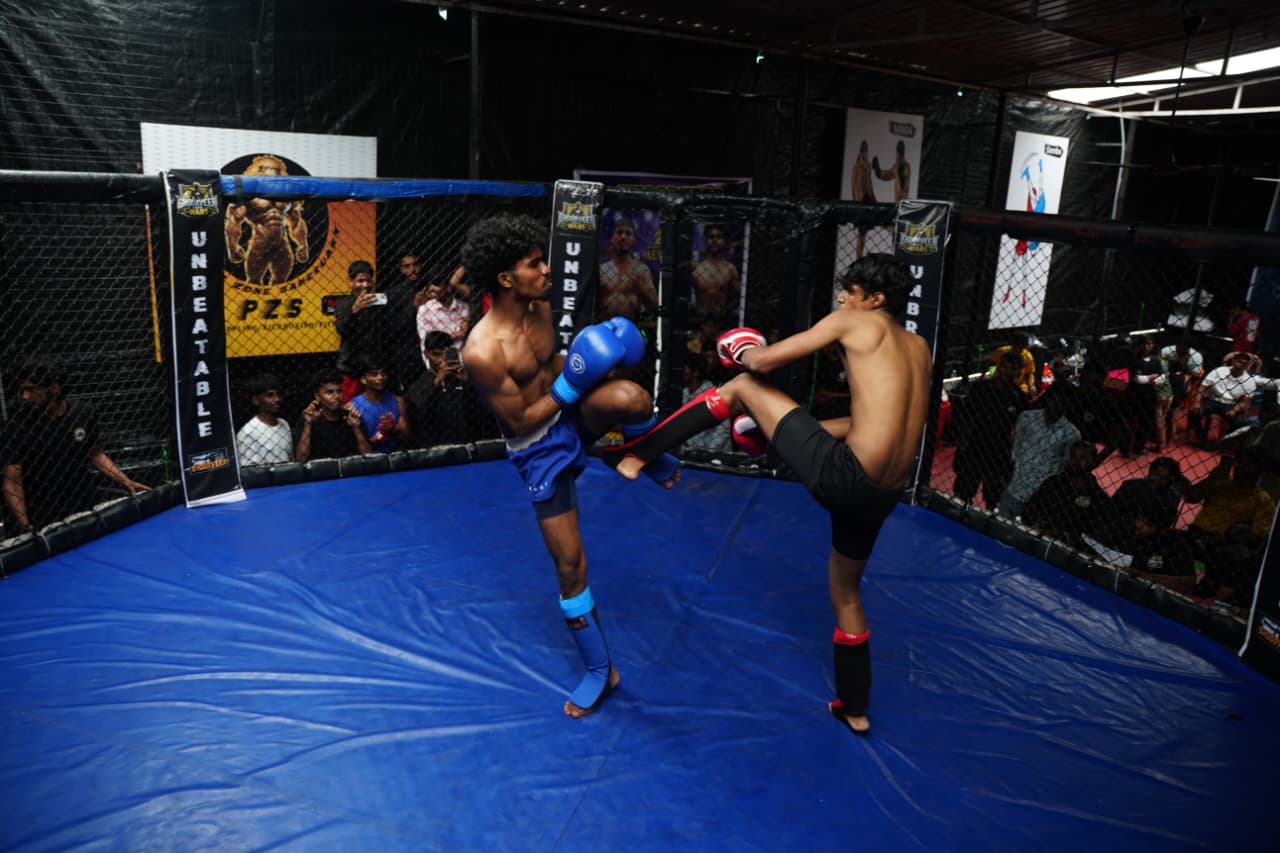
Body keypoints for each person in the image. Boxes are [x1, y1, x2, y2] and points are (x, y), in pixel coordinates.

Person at [602, 253, 932, 737]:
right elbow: (873, 425)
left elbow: (761, 362)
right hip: (883, 495)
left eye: (851, 290)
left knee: (742, 385)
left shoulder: (853, 321)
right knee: (846, 592)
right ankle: (856, 708)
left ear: (875, 299)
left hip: (844, 475)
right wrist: (787, 432)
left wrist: (742, 349)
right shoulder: (919, 348)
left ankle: (637, 454)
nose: (842, 298)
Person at [460, 214, 678, 720]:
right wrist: (575, 383)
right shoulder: (482, 350)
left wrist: (585, 365)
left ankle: (640, 453)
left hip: (568, 413)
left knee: (632, 397)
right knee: (570, 564)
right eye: (534, 264)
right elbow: (520, 419)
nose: (547, 269)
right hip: (537, 447)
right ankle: (601, 671)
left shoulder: (539, 307)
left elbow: (552, 366)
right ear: (506, 278)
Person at [1, 362, 150, 533]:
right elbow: (12, 481)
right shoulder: (16, 425)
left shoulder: (82, 413)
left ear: (54, 388)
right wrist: (27, 527)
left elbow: (95, 454)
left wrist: (126, 482)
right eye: (21, 391)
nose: (25, 396)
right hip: (43, 513)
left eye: (31, 389)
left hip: (83, 501)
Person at [951, 351, 1029, 510]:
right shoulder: (981, 388)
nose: (1007, 371)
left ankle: (989, 517)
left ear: (1019, 372)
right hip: (975, 442)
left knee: (994, 493)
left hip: (999, 447)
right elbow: (968, 415)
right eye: (1005, 366)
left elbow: (1019, 428)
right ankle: (960, 511)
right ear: (999, 367)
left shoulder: (1019, 397)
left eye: (1013, 368)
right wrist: (963, 440)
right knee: (964, 487)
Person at [998, 384, 1081, 520]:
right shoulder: (1027, 418)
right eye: (1054, 400)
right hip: (1015, 486)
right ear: (1048, 399)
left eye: (1062, 402)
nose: (1057, 406)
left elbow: (1065, 466)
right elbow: (1016, 449)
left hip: (1042, 498)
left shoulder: (1072, 434)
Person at [224, 154, 309, 286]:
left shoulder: (286, 196)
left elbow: (296, 220)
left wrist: (303, 244)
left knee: (281, 281)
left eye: (276, 169)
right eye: (266, 168)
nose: (272, 171)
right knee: (254, 282)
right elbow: (234, 220)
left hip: (281, 244)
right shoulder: (249, 195)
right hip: (259, 243)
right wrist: (232, 246)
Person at [1021, 441, 1111, 548]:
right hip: (1040, 538)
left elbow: (1099, 534)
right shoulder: (1054, 482)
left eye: (1083, 458)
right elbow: (1030, 509)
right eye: (1073, 457)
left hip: (1073, 549)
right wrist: (1040, 527)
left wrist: (1064, 535)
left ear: (1094, 462)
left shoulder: (1098, 496)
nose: (1076, 462)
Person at [334, 259, 395, 402]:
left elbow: (388, 331)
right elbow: (342, 330)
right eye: (360, 281)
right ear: (351, 281)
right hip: (352, 367)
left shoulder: (379, 302)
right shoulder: (344, 304)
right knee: (351, 406)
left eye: (368, 281)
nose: (365, 285)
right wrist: (354, 312)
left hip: (376, 366)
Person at [405, 331, 479, 448]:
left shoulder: (461, 378)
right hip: (435, 448)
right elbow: (417, 413)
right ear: (426, 354)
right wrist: (437, 381)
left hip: (465, 444)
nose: (441, 360)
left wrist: (468, 382)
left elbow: (483, 408)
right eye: (436, 354)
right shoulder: (420, 384)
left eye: (446, 354)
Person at [1192, 351, 1275, 447]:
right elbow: (1202, 388)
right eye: (1239, 361)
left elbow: (1245, 402)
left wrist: (1235, 410)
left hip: (1231, 405)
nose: (1240, 364)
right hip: (1211, 400)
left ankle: (1225, 441)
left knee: (1242, 423)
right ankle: (1202, 440)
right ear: (1233, 361)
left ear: (1247, 365)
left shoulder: (1249, 381)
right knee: (1193, 413)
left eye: (1244, 363)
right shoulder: (1219, 371)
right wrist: (1197, 402)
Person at [294, 369, 375, 463]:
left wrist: (356, 428)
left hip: (351, 468)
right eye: (330, 392)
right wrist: (308, 424)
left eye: (339, 391)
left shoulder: (351, 416)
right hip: (321, 470)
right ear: (317, 396)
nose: (336, 396)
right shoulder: (308, 418)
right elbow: (301, 459)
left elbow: (369, 456)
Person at [597, 216, 658, 321]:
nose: (623, 237)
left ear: (633, 240)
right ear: (612, 238)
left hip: (631, 325)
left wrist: (643, 290)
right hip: (604, 325)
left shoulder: (641, 270)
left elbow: (656, 305)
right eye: (619, 233)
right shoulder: (602, 269)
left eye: (628, 234)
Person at [348, 360, 409, 453]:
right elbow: (357, 448)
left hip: (397, 456)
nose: (380, 377)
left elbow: (406, 440)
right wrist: (378, 437)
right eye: (374, 374)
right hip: (369, 459)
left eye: (383, 373)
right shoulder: (353, 406)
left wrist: (394, 428)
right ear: (363, 379)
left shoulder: (398, 401)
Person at [235, 374, 293, 465]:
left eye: (278, 394)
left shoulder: (284, 424)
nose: (277, 399)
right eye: (270, 395)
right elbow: (248, 470)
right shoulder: (248, 432)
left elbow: (290, 458)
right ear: (256, 400)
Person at [690, 224, 742, 319]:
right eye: (711, 237)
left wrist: (727, 310)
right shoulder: (696, 267)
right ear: (706, 241)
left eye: (719, 237)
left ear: (724, 241)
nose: (715, 240)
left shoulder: (730, 268)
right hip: (699, 318)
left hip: (720, 319)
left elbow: (739, 295)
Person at [416, 274, 471, 349]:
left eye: (437, 284)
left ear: (448, 288)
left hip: (464, 353)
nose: (432, 288)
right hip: (438, 354)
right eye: (430, 285)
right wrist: (453, 336)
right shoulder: (425, 310)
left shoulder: (465, 308)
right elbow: (426, 340)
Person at [850, 139, 876, 259]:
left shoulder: (864, 166)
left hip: (866, 200)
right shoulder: (859, 167)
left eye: (867, 152)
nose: (866, 154)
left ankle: (859, 257)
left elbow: (868, 184)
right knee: (862, 232)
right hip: (863, 201)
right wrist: (858, 201)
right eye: (866, 151)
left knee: (863, 232)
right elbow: (856, 186)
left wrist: (873, 198)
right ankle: (859, 257)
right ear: (863, 151)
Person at [872, 139, 911, 203]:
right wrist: (878, 171)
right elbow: (888, 175)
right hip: (900, 201)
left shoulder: (901, 166)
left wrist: (878, 171)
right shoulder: (899, 166)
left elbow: (888, 175)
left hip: (901, 201)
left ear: (897, 153)